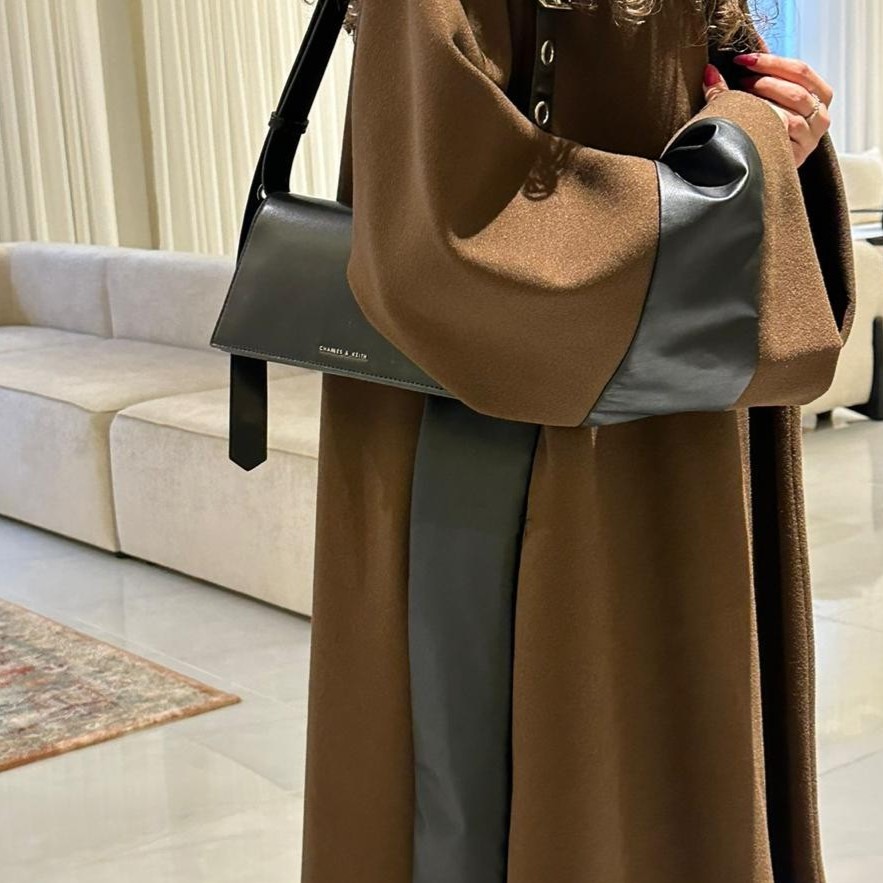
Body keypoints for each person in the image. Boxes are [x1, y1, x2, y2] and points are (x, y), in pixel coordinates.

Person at [300, 2, 856, 882]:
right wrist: (742, 158)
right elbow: (448, 231)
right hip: (525, 430)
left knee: (670, 749)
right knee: (547, 769)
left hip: (677, 409)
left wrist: (776, 125)